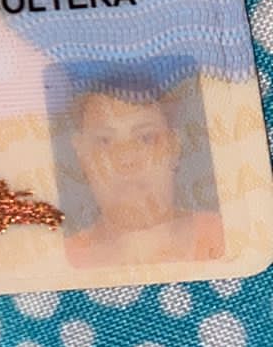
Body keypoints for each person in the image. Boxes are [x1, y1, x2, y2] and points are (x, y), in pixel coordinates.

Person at [64, 81, 223, 267]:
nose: (126, 160)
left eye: (146, 138)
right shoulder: (56, 261)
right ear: (82, 155)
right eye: (104, 141)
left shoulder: (229, 236)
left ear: (174, 147)